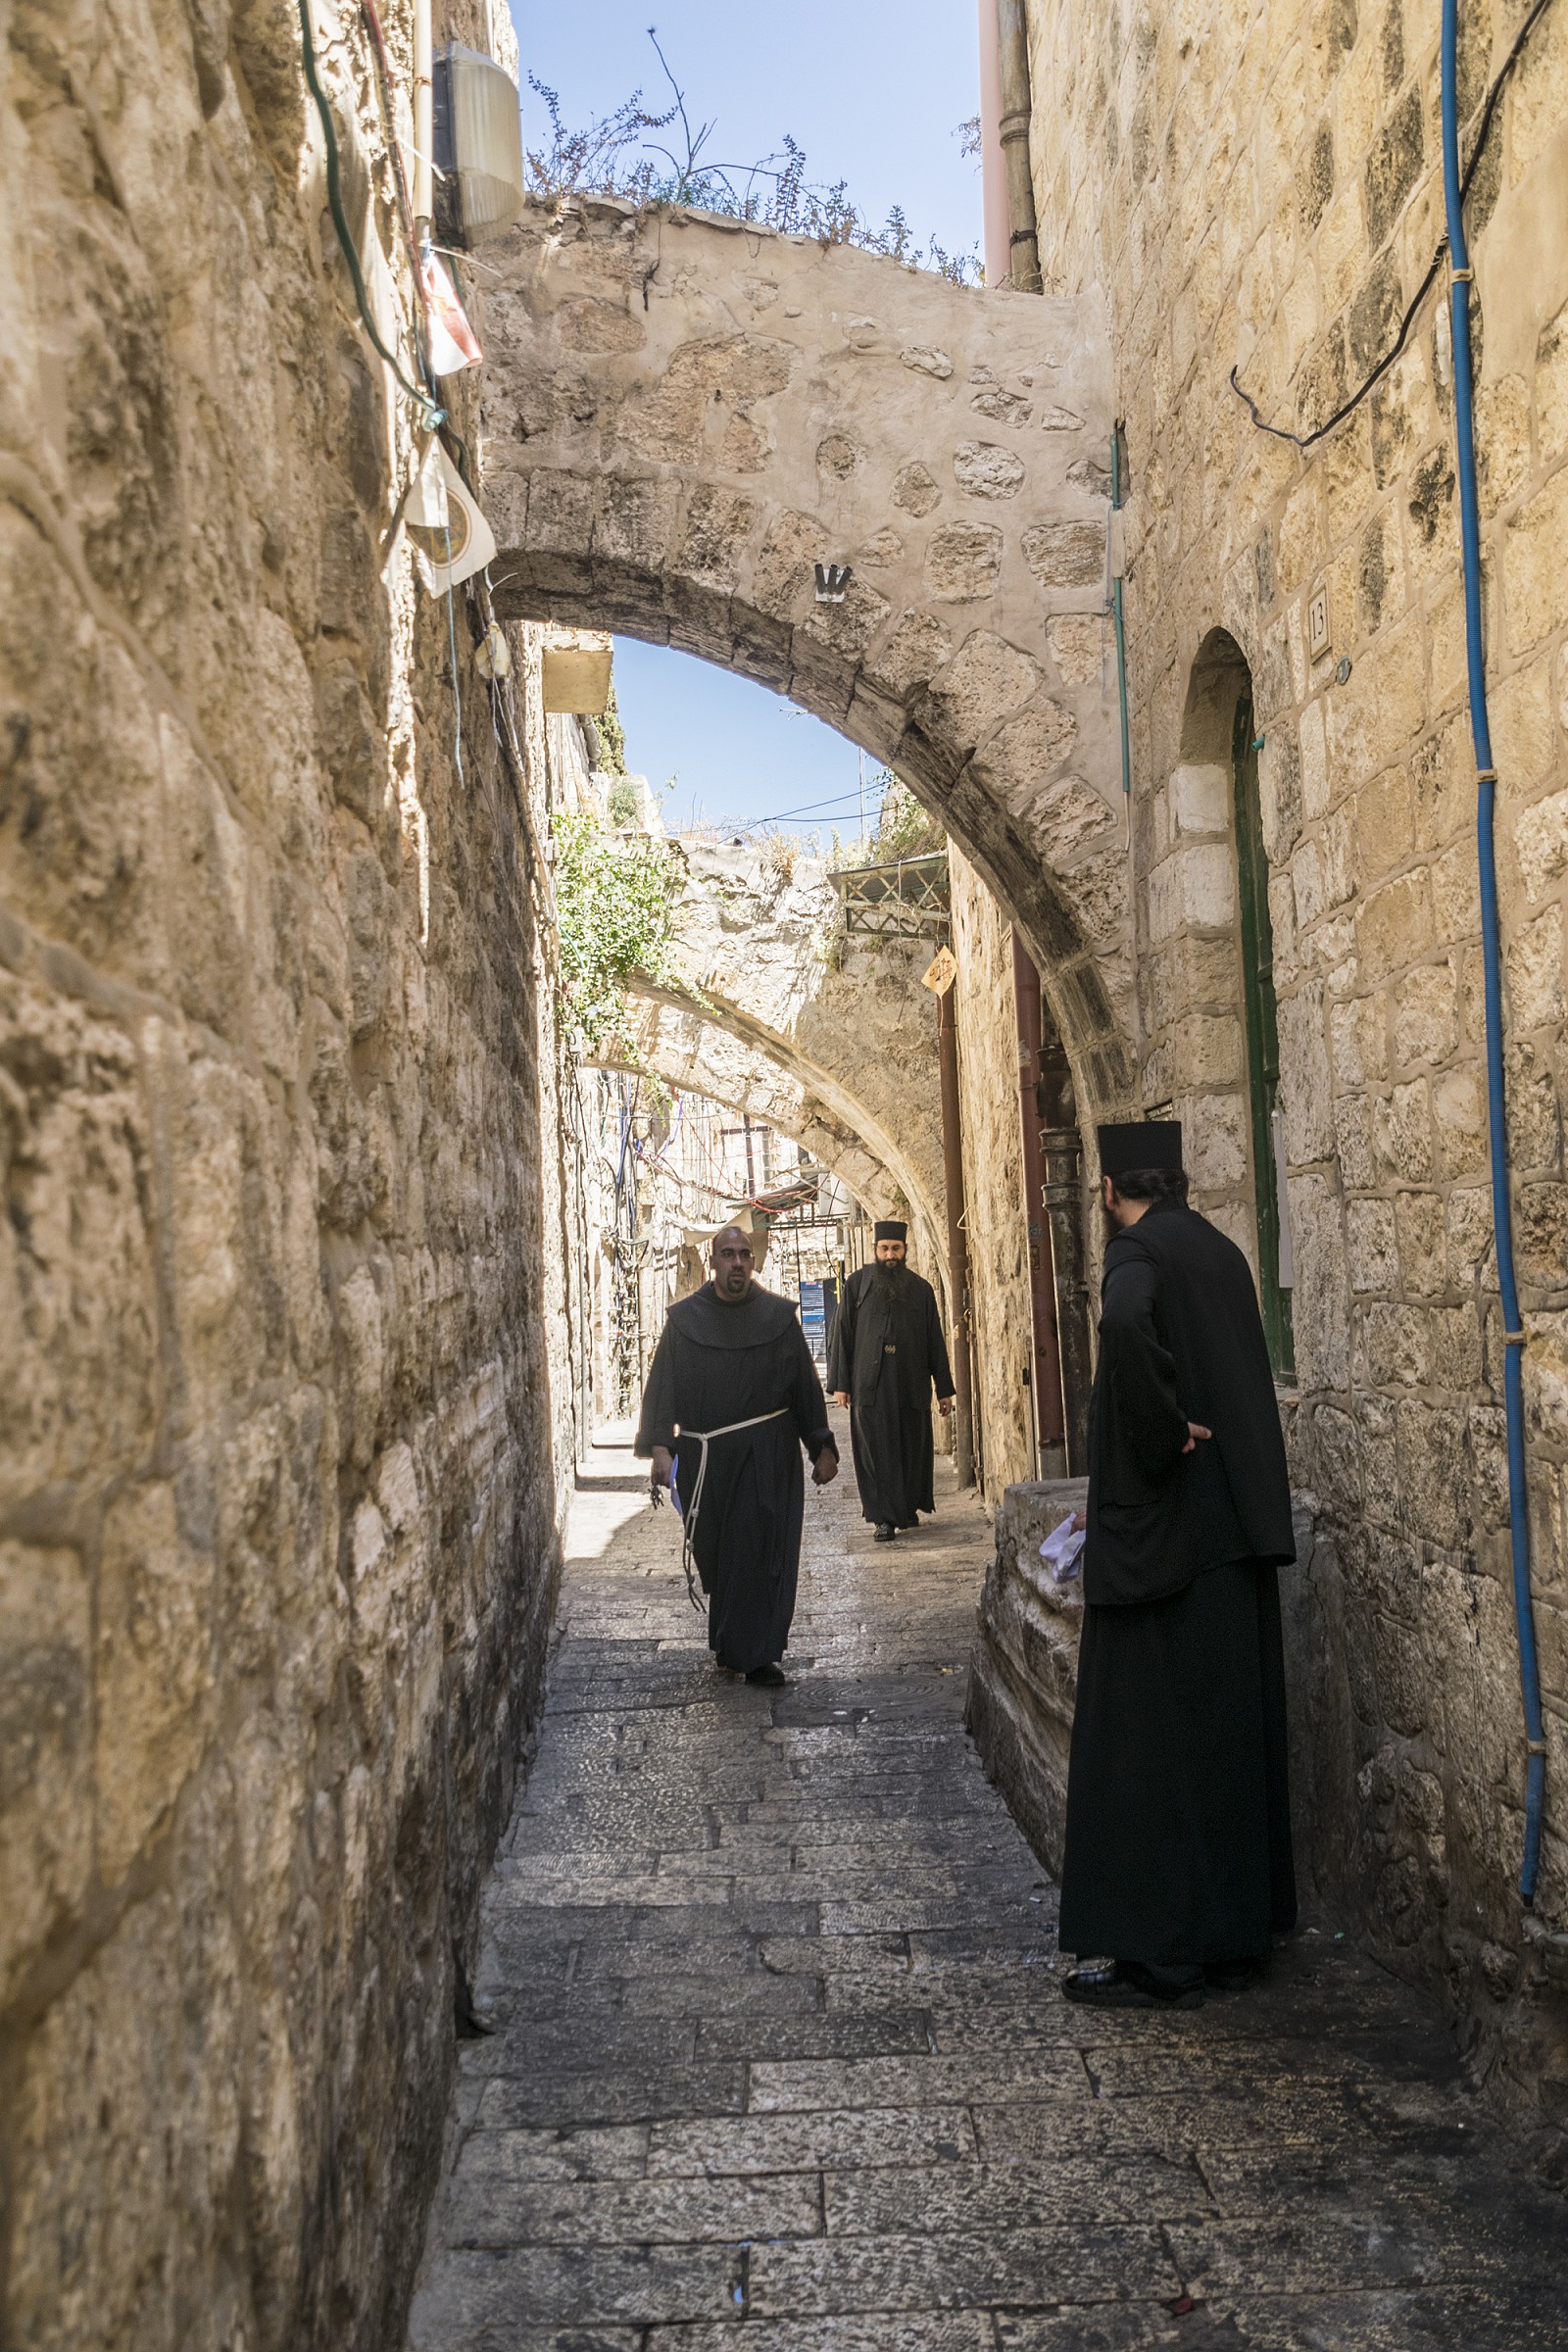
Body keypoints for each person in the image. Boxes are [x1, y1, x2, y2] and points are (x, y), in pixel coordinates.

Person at [1058, 1120, 1298, 2011]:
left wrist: (1158, 1434)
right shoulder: (1221, 1250)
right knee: (1225, 1740)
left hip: (1166, 1541)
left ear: (1113, 1190)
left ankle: (1161, 1954)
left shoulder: (1135, 1254)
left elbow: (1125, 1325)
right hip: (1230, 1534)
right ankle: (1233, 1941)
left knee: (1146, 1745)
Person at [636, 1224, 838, 1688]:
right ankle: (731, 1644)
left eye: (744, 1254)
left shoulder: (778, 1317)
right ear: (712, 1261)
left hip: (769, 1456)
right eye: (728, 1255)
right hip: (707, 1459)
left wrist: (820, 1445)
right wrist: (660, 1451)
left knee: (761, 1550)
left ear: (754, 1261)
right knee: (721, 1556)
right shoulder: (686, 1321)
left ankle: (759, 1653)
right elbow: (662, 1388)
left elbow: (804, 1387)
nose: (737, 1264)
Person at [829, 1220, 956, 1544]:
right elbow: (842, 1336)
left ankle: (906, 1508)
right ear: (875, 1250)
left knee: (910, 1446)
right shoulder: (857, 1286)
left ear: (905, 1251)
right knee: (876, 1449)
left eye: (896, 1249)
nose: (890, 1255)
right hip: (869, 1384)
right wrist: (841, 1384)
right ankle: (882, 1518)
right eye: (884, 1248)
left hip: (910, 1381)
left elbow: (934, 1341)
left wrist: (943, 1390)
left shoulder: (921, 1289)